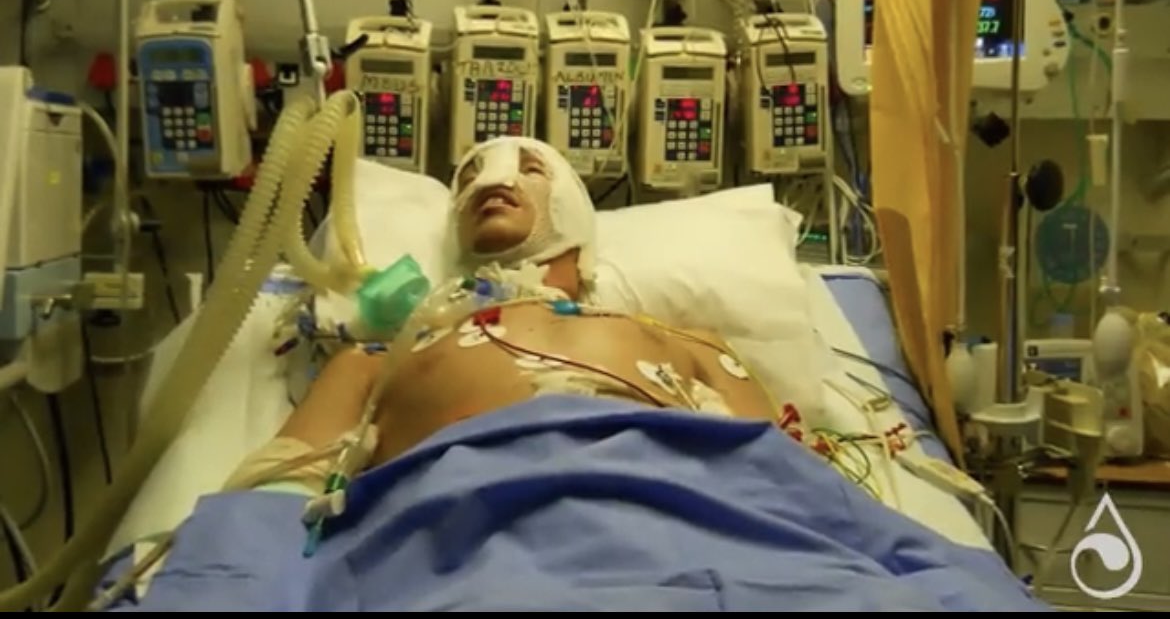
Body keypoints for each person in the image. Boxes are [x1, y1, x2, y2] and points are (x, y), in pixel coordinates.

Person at [97, 137, 1051, 612]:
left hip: (722, 530)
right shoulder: (383, 354)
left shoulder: (674, 338)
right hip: (476, 543)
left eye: (526, 166)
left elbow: (795, 483)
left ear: (577, 212)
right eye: (471, 173)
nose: (491, 178)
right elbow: (276, 491)